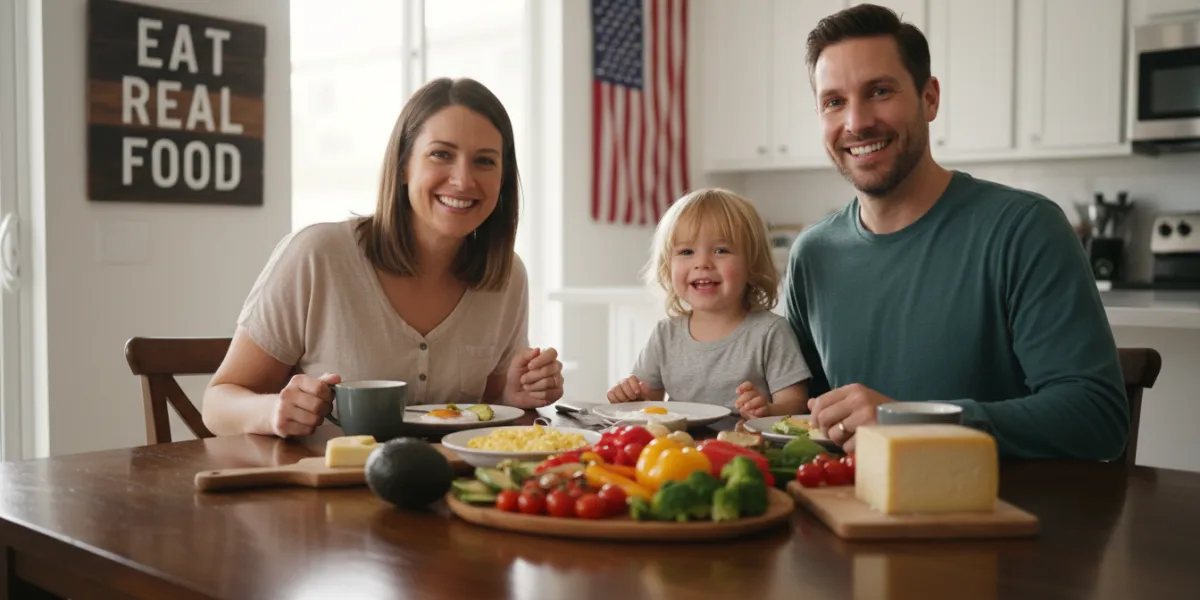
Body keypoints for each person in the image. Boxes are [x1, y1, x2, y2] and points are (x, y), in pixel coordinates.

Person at [788, 3, 1128, 459]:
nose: (856, 122)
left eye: (880, 91)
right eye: (834, 102)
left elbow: (1097, 417)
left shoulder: (1024, 229)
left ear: (929, 98)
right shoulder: (812, 255)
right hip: (852, 517)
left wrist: (913, 422)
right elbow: (803, 416)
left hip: (1003, 519)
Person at [202, 77, 564, 439]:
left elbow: (480, 407)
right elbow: (217, 404)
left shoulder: (507, 276)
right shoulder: (317, 255)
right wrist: (271, 411)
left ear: (502, 179)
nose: (463, 179)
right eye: (442, 154)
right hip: (325, 488)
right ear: (404, 164)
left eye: (485, 161)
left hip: (448, 490)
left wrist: (511, 395)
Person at [606, 188, 812, 419]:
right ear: (667, 267)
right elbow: (648, 401)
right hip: (678, 451)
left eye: (720, 250)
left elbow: (795, 403)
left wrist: (769, 409)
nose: (702, 263)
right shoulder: (665, 334)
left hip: (746, 449)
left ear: (752, 267)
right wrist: (631, 398)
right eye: (686, 251)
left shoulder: (770, 332)